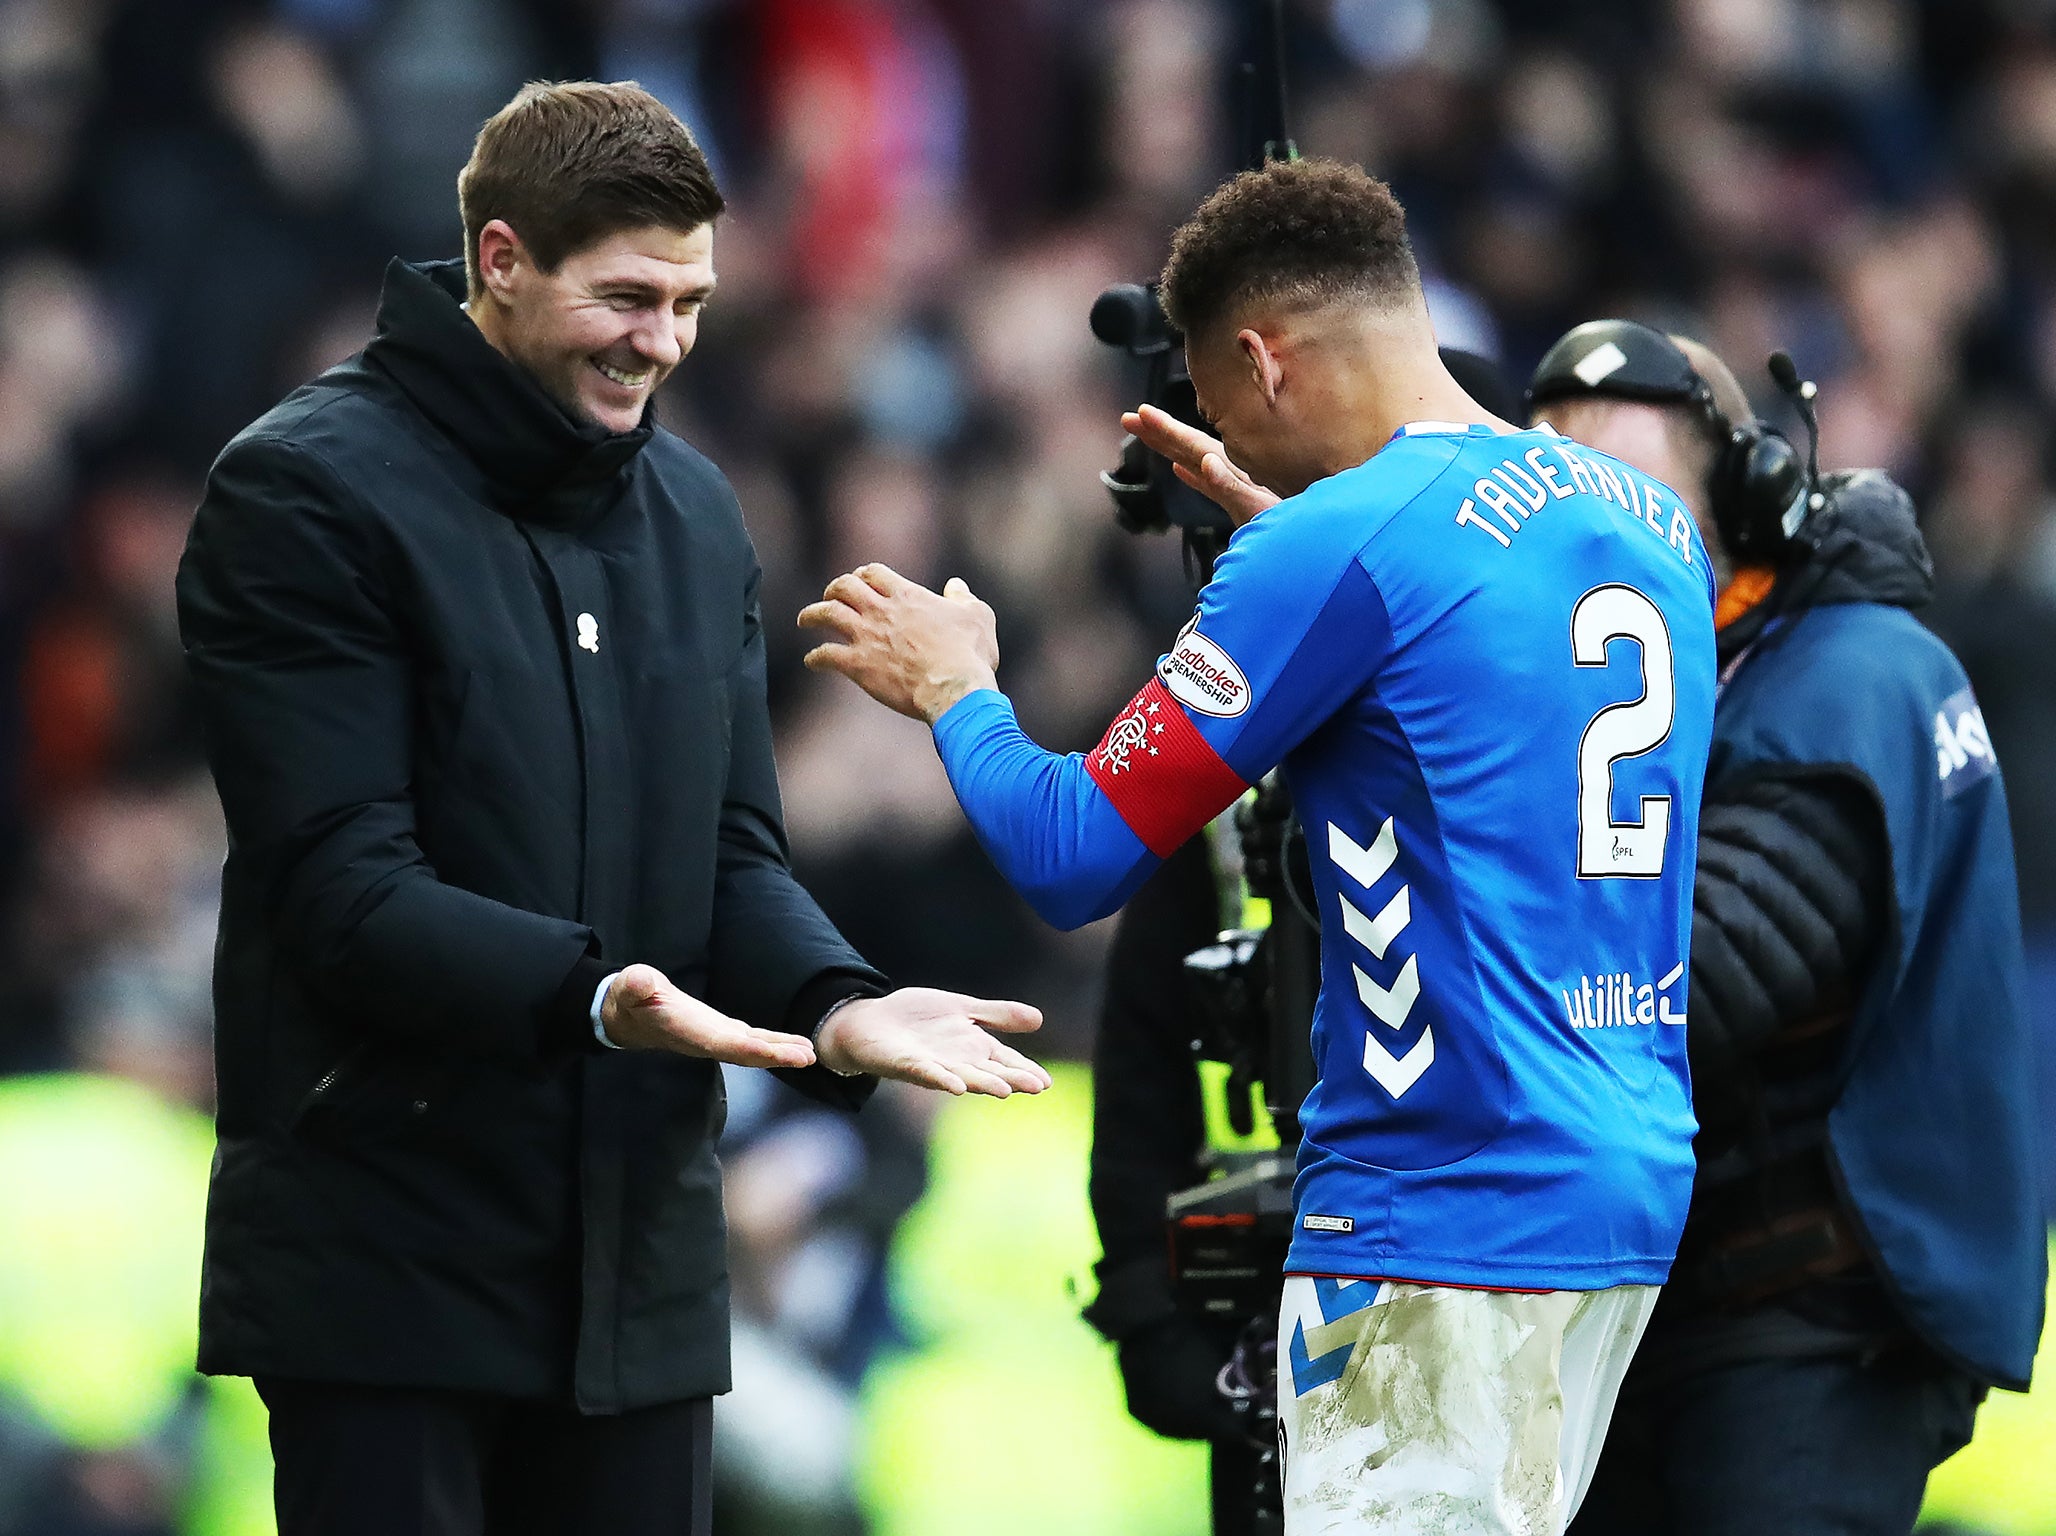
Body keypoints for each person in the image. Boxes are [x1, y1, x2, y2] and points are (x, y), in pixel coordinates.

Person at [175, 80, 1050, 1536]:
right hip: (386, 1267)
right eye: (628, 298)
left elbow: (728, 854)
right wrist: (597, 998)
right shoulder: (302, 494)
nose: (666, 343)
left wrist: (837, 1005)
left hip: (639, 1269)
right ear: (501, 261)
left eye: (693, 301)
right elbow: (338, 889)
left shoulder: (698, 514)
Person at [802, 158, 1717, 1535]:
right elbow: (1460, 680)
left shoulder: (1335, 549)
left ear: (1262, 360)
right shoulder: (1644, 521)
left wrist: (958, 691)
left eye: (1219, 402)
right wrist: (1305, 560)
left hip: (1438, 1204)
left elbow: (1071, 854)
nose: (1222, 438)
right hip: (1625, 1186)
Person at [1525, 320, 2045, 1536]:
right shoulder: (1640, 695)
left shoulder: (1854, 677)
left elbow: (1705, 977)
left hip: (1804, 1324)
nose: (1593, 562)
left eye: (1635, 514)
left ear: (1750, 513)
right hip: (1649, 1313)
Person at [1079, 349, 1525, 1536]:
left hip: (1486, 1266)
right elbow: (1140, 1046)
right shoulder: (1228, 741)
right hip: (1279, 1295)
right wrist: (1146, 1312)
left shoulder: (1501, 729)